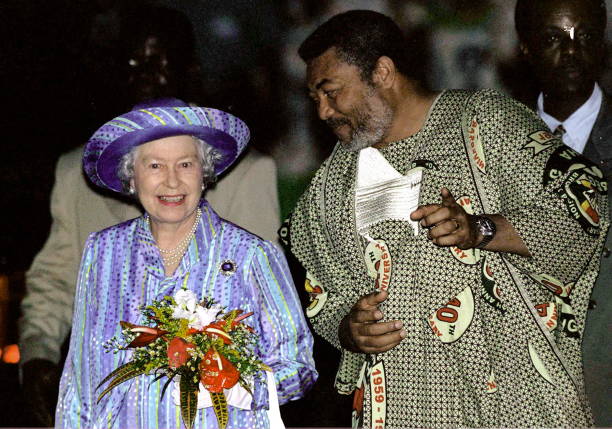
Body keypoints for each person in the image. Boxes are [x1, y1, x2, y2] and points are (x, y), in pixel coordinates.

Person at [283, 9, 608, 428]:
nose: (324, 112)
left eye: (331, 92)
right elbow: (318, 286)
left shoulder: (486, 122)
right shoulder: (335, 179)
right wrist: (349, 329)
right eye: (315, 99)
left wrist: (480, 228)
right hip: (400, 404)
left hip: (507, 398)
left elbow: (579, 210)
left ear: (381, 72)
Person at [18, 6, 281, 427]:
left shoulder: (246, 172)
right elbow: (55, 283)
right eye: (131, 61)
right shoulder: (74, 172)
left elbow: (261, 312)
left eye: (157, 61)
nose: (142, 73)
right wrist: (37, 356)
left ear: (189, 69)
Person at [54, 103, 316, 427]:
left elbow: (299, 368)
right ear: (131, 177)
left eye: (185, 164)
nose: (172, 181)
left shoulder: (252, 256)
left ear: (204, 173)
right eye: (154, 166)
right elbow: (79, 381)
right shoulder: (103, 251)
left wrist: (240, 385)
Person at [514, 0, 612, 425]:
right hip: (522, 384)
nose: (571, 52)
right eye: (554, 39)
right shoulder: (495, 139)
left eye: (585, 37)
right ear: (525, 48)